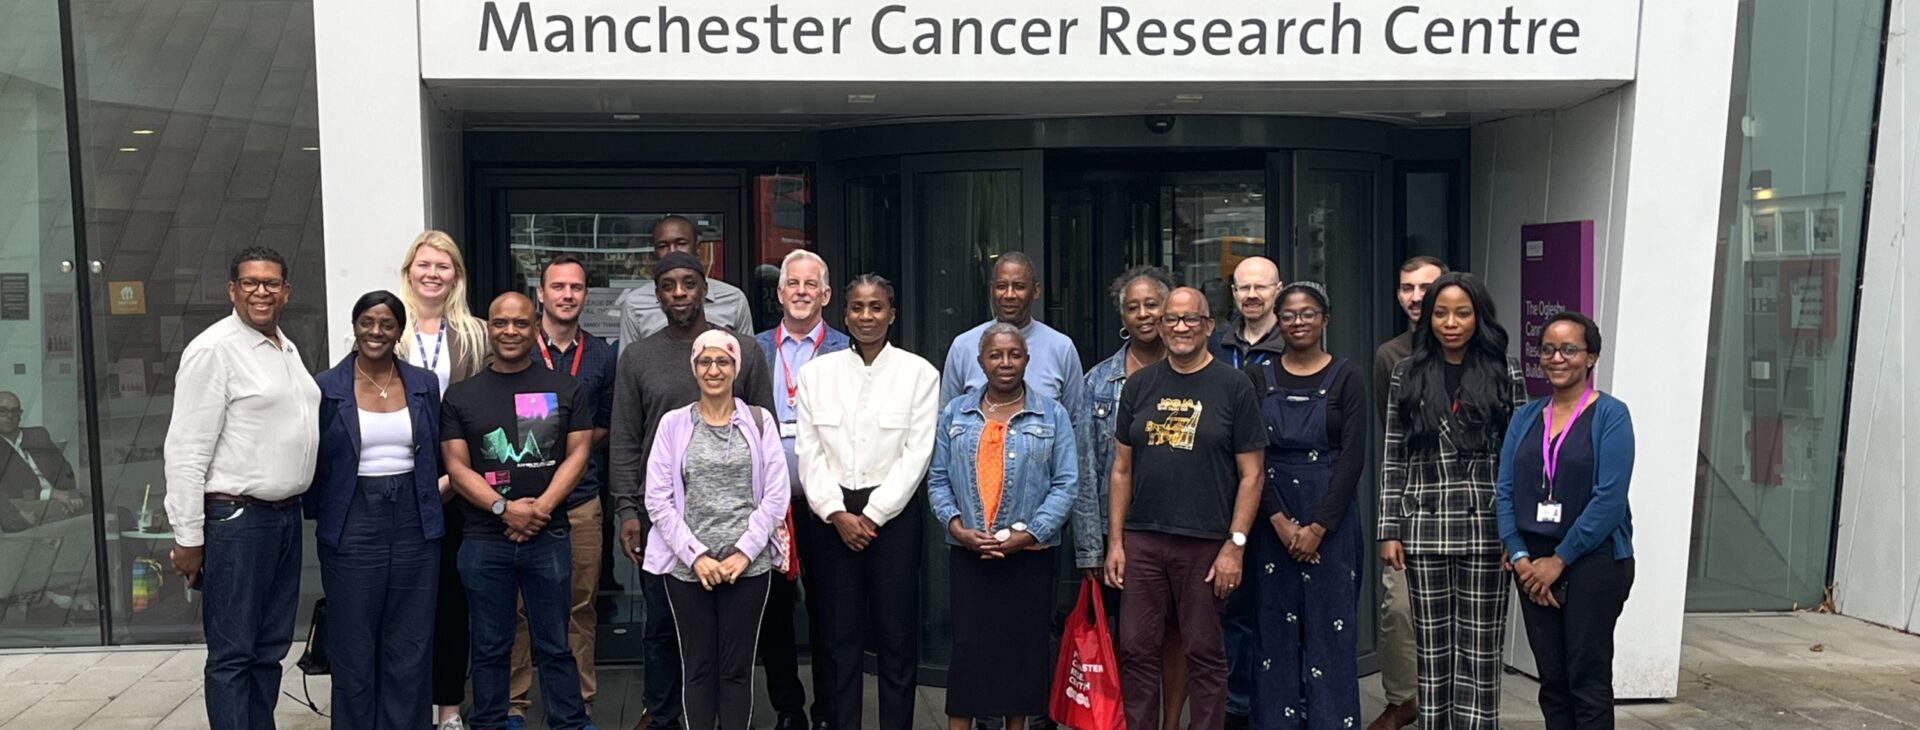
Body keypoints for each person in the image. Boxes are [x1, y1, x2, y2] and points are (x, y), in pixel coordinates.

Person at [611, 251, 777, 730]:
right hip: (664, 521)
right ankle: (661, 715)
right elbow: (624, 438)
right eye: (668, 285)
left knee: (727, 646)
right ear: (657, 294)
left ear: (705, 289)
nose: (679, 293)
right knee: (663, 629)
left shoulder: (744, 351)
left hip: (740, 529)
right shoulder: (638, 357)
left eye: (689, 283)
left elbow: (764, 444)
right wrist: (627, 510)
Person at [163, 246, 321, 730]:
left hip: (283, 518)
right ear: (232, 289)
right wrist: (188, 538)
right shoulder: (214, 350)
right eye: (250, 282)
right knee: (233, 652)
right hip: (237, 520)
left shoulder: (286, 347)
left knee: (270, 648)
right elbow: (186, 450)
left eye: (271, 283)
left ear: (286, 291)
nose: (261, 291)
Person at [1104, 287, 1267, 730]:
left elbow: (1253, 474)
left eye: (1191, 319)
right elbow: (1121, 470)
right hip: (1143, 539)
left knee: (1205, 653)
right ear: (1160, 327)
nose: (1180, 328)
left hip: (1207, 543)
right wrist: (1115, 542)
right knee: (1136, 649)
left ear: (1209, 326)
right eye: (1172, 320)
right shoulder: (1139, 385)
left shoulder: (1234, 386)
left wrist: (1235, 544)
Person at [1376, 272, 1527, 730]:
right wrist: (1389, 529)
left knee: (1481, 649)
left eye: (1462, 313)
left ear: (1479, 317)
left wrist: (1515, 533)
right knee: (1433, 650)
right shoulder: (1408, 372)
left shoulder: (1507, 370)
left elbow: (1518, 459)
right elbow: (1393, 455)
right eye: (1441, 313)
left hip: (1486, 529)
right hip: (1423, 528)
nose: (1451, 322)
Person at [441, 292, 597, 730]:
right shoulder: (460, 396)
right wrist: (503, 508)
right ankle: (489, 722)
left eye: (520, 323)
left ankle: (568, 721)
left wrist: (540, 509)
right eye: (501, 323)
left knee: (555, 641)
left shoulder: (566, 387)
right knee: (490, 644)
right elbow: (455, 466)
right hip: (483, 540)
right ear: (488, 328)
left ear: (535, 327)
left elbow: (578, 454)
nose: (510, 331)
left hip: (549, 535)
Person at [794, 274, 939, 730]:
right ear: (845, 314)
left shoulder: (919, 374)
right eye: (857, 307)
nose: (866, 316)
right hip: (831, 517)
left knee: (897, 639)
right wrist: (837, 513)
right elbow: (808, 451)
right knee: (838, 640)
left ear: (892, 314)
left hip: (892, 518)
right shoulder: (817, 374)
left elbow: (917, 455)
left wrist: (872, 515)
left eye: (876, 307)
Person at [929, 323, 1079, 730]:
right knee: (970, 654)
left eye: (1014, 354)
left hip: (1029, 558)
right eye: (995, 355)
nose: (1005, 362)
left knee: (1022, 657)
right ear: (981, 362)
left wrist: (1028, 534)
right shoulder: (955, 413)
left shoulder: (1053, 414)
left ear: (1027, 359)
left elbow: (1067, 483)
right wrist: (957, 528)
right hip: (969, 555)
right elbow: (938, 478)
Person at [643, 330, 792, 730]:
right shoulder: (673, 424)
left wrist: (744, 551)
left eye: (722, 362)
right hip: (687, 568)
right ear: (694, 369)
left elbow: (777, 496)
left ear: (735, 368)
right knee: (698, 667)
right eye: (705, 362)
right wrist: (696, 555)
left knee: (736, 669)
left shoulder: (759, 422)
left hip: (749, 567)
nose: (713, 370)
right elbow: (657, 499)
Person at [309, 290, 444, 730]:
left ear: (399, 331)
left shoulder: (424, 384)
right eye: (367, 322)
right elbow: (313, 460)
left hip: (414, 521)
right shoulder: (326, 387)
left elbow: (437, 453)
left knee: (410, 643)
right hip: (352, 521)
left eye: (386, 324)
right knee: (353, 645)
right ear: (354, 326)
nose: (376, 332)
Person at [1496, 312, 1636, 730]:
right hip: (1532, 564)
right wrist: (1521, 556)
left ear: (1590, 357)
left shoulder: (1611, 415)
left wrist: (1558, 560)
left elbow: (1609, 500)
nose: (1557, 358)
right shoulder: (1524, 417)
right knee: (1553, 681)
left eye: (1569, 349)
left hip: (1594, 560)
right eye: (1549, 349)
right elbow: (1504, 491)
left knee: (1586, 679)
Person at [502, 256, 620, 726]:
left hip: (580, 500)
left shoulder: (601, 355)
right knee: (518, 610)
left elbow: (608, 425)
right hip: (518, 500)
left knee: (579, 606)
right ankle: (514, 705)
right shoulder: (516, 346)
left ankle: (578, 705)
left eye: (576, 288)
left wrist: (568, 443)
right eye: (558, 287)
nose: (567, 295)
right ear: (541, 294)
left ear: (585, 295)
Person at [1071, 266, 1190, 729]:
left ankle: (1172, 722)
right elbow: (1086, 469)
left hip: (1182, 527)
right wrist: (1090, 548)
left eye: (1152, 304)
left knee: (1178, 633)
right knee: (1129, 638)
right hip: (1119, 532)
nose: (1143, 314)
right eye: (1133, 306)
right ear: (1122, 315)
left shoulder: (1195, 371)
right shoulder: (1098, 382)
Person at [1245, 282, 1366, 730]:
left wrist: (1317, 528)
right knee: (1273, 630)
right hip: (1270, 508)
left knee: (1332, 629)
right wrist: (1278, 521)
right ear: (1278, 320)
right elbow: (1253, 455)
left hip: (1331, 513)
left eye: (1309, 313)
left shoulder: (1347, 375)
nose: (1299, 322)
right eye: (1290, 314)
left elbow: (1354, 457)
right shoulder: (1258, 378)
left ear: (1325, 320)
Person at [396, 230, 489, 730]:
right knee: (406, 600)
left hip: (461, 484)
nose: (433, 274)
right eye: (424, 264)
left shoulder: (476, 334)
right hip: (398, 483)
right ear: (409, 270)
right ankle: (408, 707)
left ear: (457, 274)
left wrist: (455, 478)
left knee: (452, 600)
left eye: (444, 265)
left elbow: (486, 413)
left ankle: (450, 709)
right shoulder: (389, 329)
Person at [753, 250, 846, 730]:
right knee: (774, 615)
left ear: (826, 295)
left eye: (812, 284)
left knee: (830, 612)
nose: (802, 291)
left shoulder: (847, 350)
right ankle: (789, 708)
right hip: (770, 505)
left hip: (828, 506)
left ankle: (829, 710)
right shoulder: (752, 349)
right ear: (780, 293)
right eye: (794, 283)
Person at [1367, 255, 1446, 730]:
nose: (1416, 297)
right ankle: (1402, 700)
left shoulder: (1487, 353)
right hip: (1412, 503)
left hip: (1469, 505)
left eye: (1426, 287)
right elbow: (1392, 439)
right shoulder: (1390, 356)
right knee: (1398, 609)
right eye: (1407, 288)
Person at [1205, 255, 1284, 727]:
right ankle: (1236, 706)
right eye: (1242, 288)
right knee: (1230, 607)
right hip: (1223, 495)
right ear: (1232, 294)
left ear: (1278, 289)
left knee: (1275, 606)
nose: (1251, 295)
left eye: (1261, 287)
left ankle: (1273, 704)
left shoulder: (1292, 342)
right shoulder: (1216, 345)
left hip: (1283, 495)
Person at [939, 251, 1085, 419]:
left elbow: (1077, 422)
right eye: (1001, 286)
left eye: (1019, 287)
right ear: (991, 290)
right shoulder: (963, 346)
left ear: (1036, 291)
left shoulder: (1061, 348)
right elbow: (946, 420)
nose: (1009, 295)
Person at [618, 215, 755, 344]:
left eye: (681, 243)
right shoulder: (635, 304)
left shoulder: (734, 299)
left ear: (697, 248)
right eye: (663, 246)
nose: (673, 251)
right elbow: (629, 364)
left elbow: (748, 359)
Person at [0, 391, 84, 532]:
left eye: (14, 411)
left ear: (20, 414)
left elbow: (64, 469)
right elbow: (9, 491)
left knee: (119, 513)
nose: (10, 417)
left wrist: (71, 493)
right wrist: (51, 494)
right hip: (31, 504)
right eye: (2, 411)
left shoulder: (38, 435)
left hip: (63, 498)